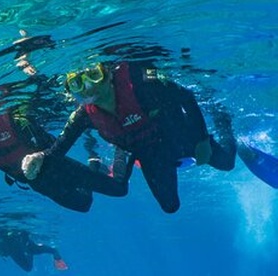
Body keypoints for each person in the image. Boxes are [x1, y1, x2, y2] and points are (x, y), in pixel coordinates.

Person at [21, 61, 237, 213]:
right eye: (77, 83)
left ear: (108, 72)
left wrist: (202, 140)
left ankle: (223, 122)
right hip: (142, 150)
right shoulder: (84, 114)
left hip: (173, 133)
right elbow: (60, 146)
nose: (89, 87)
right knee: (170, 206)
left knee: (226, 162)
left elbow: (186, 96)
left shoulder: (140, 82)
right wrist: (41, 157)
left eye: (94, 75)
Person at [0, 106, 129, 234]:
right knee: (84, 204)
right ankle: (95, 161)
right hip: (40, 184)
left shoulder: (17, 122)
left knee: (119, 188)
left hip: (60, 167)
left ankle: (123, 147)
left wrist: (40, 157)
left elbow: (55, 144)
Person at [0, 226, 67, 272]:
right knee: (28, 267)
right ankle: (56, 257)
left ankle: (56, 257)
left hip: (23, 245)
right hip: (20, 248)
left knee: (28, 266)